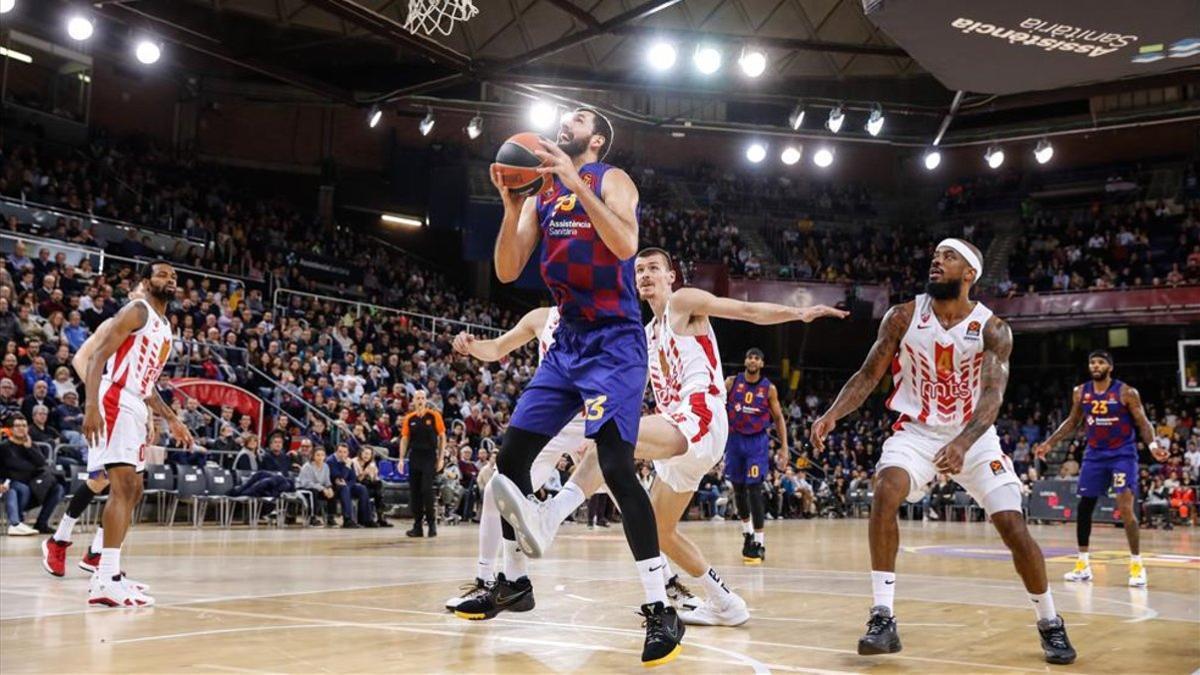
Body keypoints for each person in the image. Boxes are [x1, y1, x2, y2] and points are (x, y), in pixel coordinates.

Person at [492, 247, 845, 628]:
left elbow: (746, 311)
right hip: (678, 432)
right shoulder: (641, 335)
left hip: (701, 414)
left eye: (653, 268)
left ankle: (550, 518)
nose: (644, 275)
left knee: (608, 441)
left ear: (670, 276)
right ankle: (725, 601)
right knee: (658, 530)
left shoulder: (683, 302)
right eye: (639, 269)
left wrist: (799, 313)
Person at [809, 238, 1076, 664]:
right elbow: (867, 374)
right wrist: (831, 414)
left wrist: (964, 442)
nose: (936, 261)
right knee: (885, 492)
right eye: (934, 256)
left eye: (947, 257)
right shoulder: (903, 316)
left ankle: (1050, 621)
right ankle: (882, 616)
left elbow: (992, 397)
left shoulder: (993, 329)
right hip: (917, 431)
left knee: (1012, 525)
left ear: (969, 273)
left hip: (974, 434)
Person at [480, 107, 683, 666]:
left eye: (575, 119)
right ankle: (514, 583)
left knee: (616, 465)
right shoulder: (542, 193)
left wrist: (575, 183)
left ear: (594, 139)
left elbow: (624, 246)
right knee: (510, 459)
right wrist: (513, 204)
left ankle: (659, 605)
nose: (562, 124)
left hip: (615, 341)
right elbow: (506, 268)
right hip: (567, 340)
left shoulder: (610, 179)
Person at [443, 307, 589, 613]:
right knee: (496, 493)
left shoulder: (601, 311)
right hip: (552, 423)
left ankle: (666, 581)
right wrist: (471, 346)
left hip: (593, 420)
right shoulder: (541, 317)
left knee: (628, 495)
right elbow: (497, 348)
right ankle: (486, 581)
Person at [80, 261, 192, 607]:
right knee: (123, 486)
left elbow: (148, 384)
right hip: (114, 398)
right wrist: (91, 406)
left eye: (174, 276)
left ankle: (109, 574)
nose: (169, 279)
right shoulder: (136, 310)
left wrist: (171, 417)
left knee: (136, 489)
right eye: (162, 274)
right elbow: (98, 356)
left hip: (134, 402)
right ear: (146, 281)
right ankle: (104, 580)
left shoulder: (164, 327)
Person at [1034, 351, 1167, 587]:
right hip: (1094, 456)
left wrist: (1154, 445)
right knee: (1084, 507)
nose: (1095, 366)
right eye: (1092, 362)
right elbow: (1072, 422)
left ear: (1110, 367)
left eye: (1101, 362)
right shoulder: (1080, 392)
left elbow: (1143, 422)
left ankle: (1137, 565)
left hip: (1122, 456)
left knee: (1125, 509)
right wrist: (1049, 443)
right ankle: (1082, 565)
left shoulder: (1126, 392)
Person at [724, 347, 788, 564]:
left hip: (756, 443)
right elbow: (715, 403)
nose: (752, 360)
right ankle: (747, 534)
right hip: (734, 440)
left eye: (756, 358)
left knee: (754, 489)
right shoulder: (732, 382)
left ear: (761, 364)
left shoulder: (769, 389)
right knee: (738, 490)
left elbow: (778, 418)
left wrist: (785, 448)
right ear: (745, 361)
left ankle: (760, 542)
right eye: (749, 356)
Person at [1, 415, 65, 536]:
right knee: (18, 488)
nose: (22, 428)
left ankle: (41, 523)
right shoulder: (4, 447)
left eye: (24, 426)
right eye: (18, 426)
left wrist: (30, 448)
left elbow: (42, 464)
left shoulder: (32, 445)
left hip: (34, 486)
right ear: (10, 429)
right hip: (14, 485)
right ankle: (16, 524)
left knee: (58, 488)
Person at [400, 390, 445, 537]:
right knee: (415, 492)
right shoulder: (409, 418)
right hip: (415, 456)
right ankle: (417, 526)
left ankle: (432, 524)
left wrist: (441, 458)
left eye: (423, 398)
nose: (420, 400)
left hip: (429, 456)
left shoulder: (434, 416)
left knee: (427, 490)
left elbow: (442, 437)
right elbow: (405, 439)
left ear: (426, 400)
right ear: (413, 400)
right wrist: (401, 459)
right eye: (417, 398)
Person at [328, 442, 374, 528]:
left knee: (362, 488)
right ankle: (347, 520)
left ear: (348, 453)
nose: (342, 454)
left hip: (346, 486)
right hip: (333, 487)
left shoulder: (349, 460)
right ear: (336, 452)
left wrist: (348, 484)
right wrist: (347, 466)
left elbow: (353, 479)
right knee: (344, 488)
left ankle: (366, 520)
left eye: (345, 452)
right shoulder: (331, 461)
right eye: (340, 452)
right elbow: (340, 477)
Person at [296, 447, 336, 526]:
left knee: (332, 493)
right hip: (304, 488)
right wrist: (322, 488)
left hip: (319, 489)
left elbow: (327, 481)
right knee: (313, 492)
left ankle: (330, 518)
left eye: (322, 455)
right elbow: (307, 483)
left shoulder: (326, 466)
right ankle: (312, 518)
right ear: (313, 456)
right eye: (318, 455)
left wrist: (329, 488)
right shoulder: (307, 466)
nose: (320, 457)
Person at [352, 447, 391, 527]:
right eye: (365, 453)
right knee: (378, 493)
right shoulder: (354, 462)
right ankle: (378, 518)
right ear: (361, 453)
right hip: (357, 486)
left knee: (379, 486)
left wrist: (372, 473)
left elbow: (374, 479)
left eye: (369, 454)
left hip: (368, 485)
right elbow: (355, 479)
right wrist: (365, 472)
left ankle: (380, 517)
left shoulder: (371, 463)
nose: (367, 456)